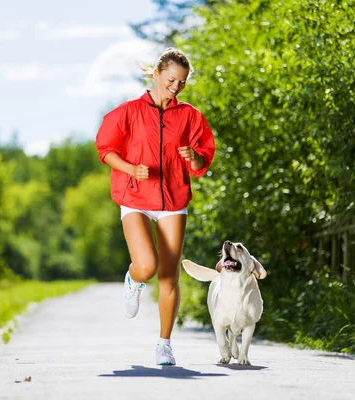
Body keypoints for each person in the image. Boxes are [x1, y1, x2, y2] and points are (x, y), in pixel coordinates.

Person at [95, 47, 216, 365]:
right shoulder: (129, 112)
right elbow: (105, 148)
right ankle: (133, 279)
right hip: (135, 197)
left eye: (182, 83)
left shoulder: (190, 116)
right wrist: (129, 168)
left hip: (173, 200)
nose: (176, 87)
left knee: (168, 275)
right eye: (172, 79)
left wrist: (195, 157)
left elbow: (203, 160)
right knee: (147, 265)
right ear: (157, 74)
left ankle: (164, 344)